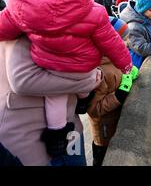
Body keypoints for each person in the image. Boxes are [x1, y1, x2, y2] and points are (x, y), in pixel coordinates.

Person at [0, 0, 133, 161]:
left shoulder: (78, 16)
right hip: (30, 134)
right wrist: (89, 80)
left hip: (69, 127)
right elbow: (23, 80)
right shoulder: (28, 17)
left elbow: (104, 43)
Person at [0, 35, 100, 165]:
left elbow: (82, 62)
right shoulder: (18, 25)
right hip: (29, 138)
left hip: (71, 130)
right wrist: (89, 81)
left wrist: (93, 75)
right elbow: (22, 81)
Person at [86, 17, 139, 166]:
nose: (127, 43)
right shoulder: (97, 71)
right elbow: (94, 109)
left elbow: (120, 73)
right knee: (102, 153)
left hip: (116, 120)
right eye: (124, 39)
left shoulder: (116, 57)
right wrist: (120, 93)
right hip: (104, 127)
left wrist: (128, 72)